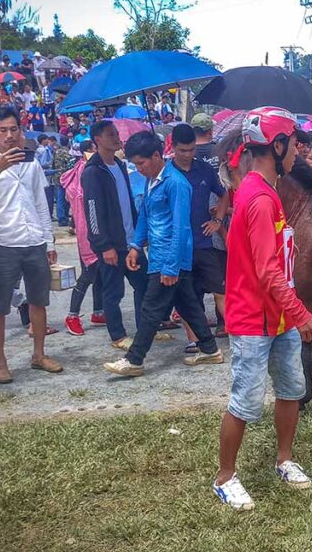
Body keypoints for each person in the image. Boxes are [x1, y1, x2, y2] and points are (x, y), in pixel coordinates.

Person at [212, 107, 312, 511]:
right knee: (245, 400)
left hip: (276, 317)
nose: (298, 153)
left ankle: (285, 459)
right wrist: (302, 314)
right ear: (276, 146)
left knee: (292, 389)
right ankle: (225, 477)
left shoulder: (262, 190)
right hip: (254, 320)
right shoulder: (259, 199)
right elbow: (266, 270)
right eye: (294, 144)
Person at [102, 131, 223, 377]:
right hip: (159, 254)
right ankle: (210, 350)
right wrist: (136, 245)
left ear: (156, 156)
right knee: (188, 306)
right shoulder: (152, 180)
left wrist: (170, 267)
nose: (139, 169)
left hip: (171, 258)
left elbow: (181, 227)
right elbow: (146, 214)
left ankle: (134, 359)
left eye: (141, 163)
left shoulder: (176, 183)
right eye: (135, 164)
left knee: (150, 309)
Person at [0, 106, 62, 384]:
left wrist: (48, 240)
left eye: (14, 129)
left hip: (34, 239)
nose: (10, 135)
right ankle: (0, 362)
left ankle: (38, 354)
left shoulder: (31, 162)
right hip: (3, 241)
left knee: (38, 300)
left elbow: (40, 203)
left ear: (20, 130)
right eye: (3, 130)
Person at [82, 120, 147, 350]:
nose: (116, 137)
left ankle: (146, 329)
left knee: (144, 285)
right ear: (97, 140)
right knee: (113, 291)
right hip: (112, 243)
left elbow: (128, 200)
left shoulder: (119, 164)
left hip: (131, 240)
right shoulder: (93, 172)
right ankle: (117, 335)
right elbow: (92, 211)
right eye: (110, 134)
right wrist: (103, 245)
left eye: (116, 133)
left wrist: (140, 231)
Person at [170, 123, 230, 337]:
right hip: (179, 246)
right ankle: (194, 340)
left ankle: (237, 335)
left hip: (205, 243)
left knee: (221, 291)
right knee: (188, 297)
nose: (188, 155)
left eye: (191, 149)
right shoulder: (166, 174)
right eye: (183, 150)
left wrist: (218, 220)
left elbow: (223, 194)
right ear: (173, 147)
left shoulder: (204, 169)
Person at [60, 139, 104, 335]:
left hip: (95, 227)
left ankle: (98, 312)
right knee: (88, 274)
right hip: (87, 231)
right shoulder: (85, 171)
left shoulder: (89, 169)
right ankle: (72, 315)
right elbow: (79, 199)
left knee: (100, 273)